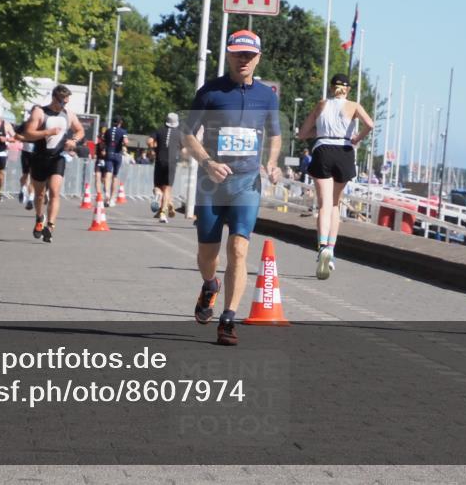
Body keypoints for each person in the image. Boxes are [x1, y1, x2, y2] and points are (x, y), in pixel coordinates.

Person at [183, 30, 281, 346]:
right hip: (211, 185)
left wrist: (272, 161)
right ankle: (210, 285)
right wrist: (207, 162)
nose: (243, 60)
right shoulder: (210, 92)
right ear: (228, 55)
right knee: (206, 254)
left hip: (246, 183)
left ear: (258, 58)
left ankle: (228, 318)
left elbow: (275, 135)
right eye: (238, 54)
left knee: (239, 249)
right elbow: (187, 133)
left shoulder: (267, 96)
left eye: (249, 55)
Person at [296, 73, 374, 279]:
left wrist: (320, 130)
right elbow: (370, 124)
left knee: (323, 205)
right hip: (344, 151)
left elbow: (302, 134)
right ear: (347, 90)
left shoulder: (321, 105)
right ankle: (331, 250)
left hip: (323, 150)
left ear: (331, 88)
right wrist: (356, 138)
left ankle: (322, 247)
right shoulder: (354, 106)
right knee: (335, 205)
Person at [21, 85, 84, 243]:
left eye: (66, 102)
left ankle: (50, 226)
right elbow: (28, 133)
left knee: (55, 191)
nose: (64, 105)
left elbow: (80, 130)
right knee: (40, 194)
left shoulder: (68, 114)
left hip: (58, 157)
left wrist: (73, 140)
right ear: (54, 98)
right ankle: (39, 217)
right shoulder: (40, 112)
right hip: (40, 157)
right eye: (62, 102)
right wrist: (46, 132)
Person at [148, 112, 182, 223]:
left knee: (158, 187)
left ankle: (158, 195)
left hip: (160, 160)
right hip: (172, 162)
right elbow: (184, 148)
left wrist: (153, 150)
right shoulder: (179, 133)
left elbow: (149, 141)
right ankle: (163, 212)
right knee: (167, 188)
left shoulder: (159, 130)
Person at [14, 108, 38, 210]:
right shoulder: (25, 124)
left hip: (37, 153)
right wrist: (25, 138)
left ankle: (31, 199)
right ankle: (23, 188)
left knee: (33, 177)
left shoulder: (41, 124)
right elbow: (16, 135)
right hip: (26, 152)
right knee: (25, 175)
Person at [102, 117, 129, 205]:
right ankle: (112, 198)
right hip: (118, 154)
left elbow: (103, 143)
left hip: (109, 153)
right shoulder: (123, 131)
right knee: (115, 176)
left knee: (108, 174)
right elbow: (126, 141)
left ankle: (106, 194)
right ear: (120, 122)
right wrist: (124, 143)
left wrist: (104, 149)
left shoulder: (107, 131)